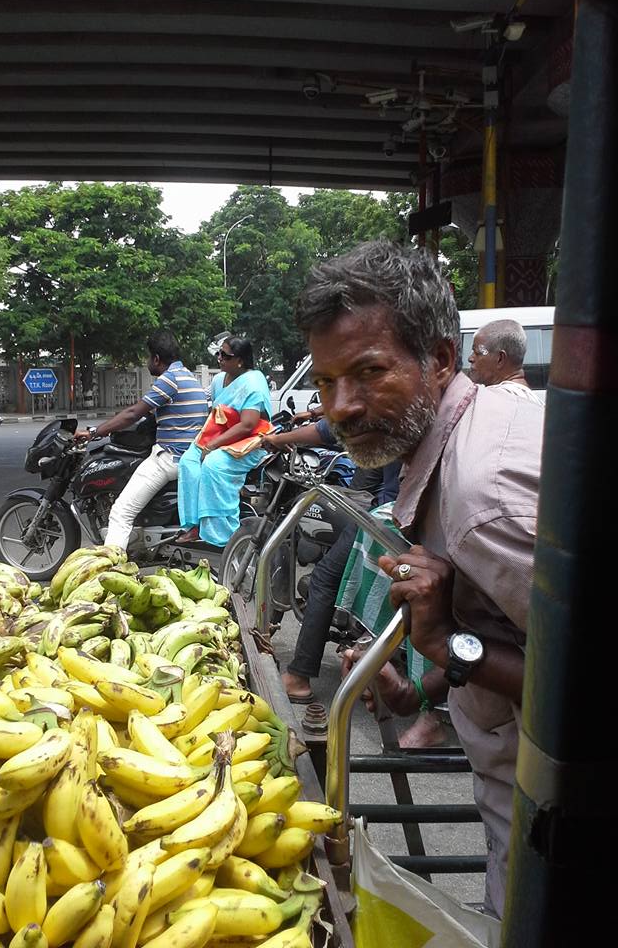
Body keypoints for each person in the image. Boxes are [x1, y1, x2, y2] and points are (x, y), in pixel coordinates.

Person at [295, 239, 543, 920]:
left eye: (369, 372)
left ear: (438, 360)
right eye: (325, 382)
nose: (341, 406)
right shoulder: (452, 442)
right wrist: (421, 689)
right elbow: (506, 626)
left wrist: (448, 648)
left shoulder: (483, 498)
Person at [264, 417, 398, 703]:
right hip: (404, 505)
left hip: (393, 516)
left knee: (324, 577)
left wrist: (280, 439)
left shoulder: (384, 401)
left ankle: (299, 676)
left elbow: (333, 428)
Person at [74, 331, 208, 551]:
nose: (147, 363)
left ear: (156, 358)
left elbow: (133, 413)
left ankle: (109, 567)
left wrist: (94, 432)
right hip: (190, 455)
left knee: (121, 512)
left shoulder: (169, 380)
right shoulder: (188, 377)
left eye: (148, 358)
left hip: (169, 459)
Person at [176, 336, 272, 546]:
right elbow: (215, 414)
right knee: (188, 461)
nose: (219, 358)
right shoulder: (219, 379)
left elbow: (247, 425)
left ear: (240, 360)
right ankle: (194, 525)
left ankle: (221, 535)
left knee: (214, 464)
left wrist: (213, 445)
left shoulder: (254, 382)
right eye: (218, 353)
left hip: (249, 439)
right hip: (222, 434)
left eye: (225, 355)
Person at [468, 318, 543, 404]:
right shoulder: (535, 402)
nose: (470, 358)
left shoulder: (494, 401)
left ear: (500, 359)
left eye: (477, 352)